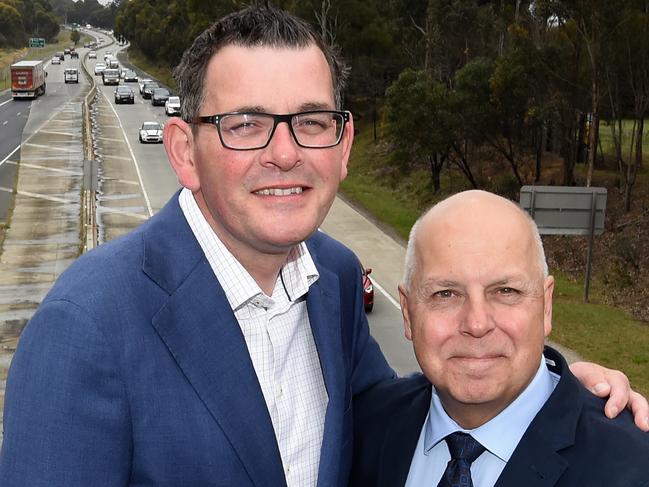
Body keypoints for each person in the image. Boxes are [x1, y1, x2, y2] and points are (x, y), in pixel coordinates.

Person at [0, 7, 645, 487]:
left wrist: (553, 388)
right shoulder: (84, 329)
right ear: (183, 152)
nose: (285, 153)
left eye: (311, 121)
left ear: (344, 145)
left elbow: (401, 410)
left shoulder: (331, 277)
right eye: (245, 124)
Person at [350, 190, 649, 487]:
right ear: (407, 312)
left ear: (546, 306)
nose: (477, 323)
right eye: (445, 294)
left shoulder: (633, 466)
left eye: (506, 291)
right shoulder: (366, 427)